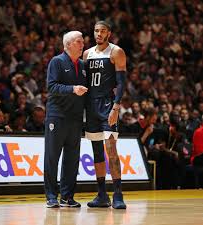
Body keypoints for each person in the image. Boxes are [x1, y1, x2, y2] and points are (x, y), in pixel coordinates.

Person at [83, 21, 127, 209]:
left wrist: (116, 107)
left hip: (108, 105)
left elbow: (121, 82)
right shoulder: (87, 54)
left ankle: (118, 194)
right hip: (90, 107)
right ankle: (102, 194)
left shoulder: (116, 52)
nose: (99, 34)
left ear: (109, 33)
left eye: (102, 31)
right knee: (96, 152)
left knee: (111, 149)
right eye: (96, 31)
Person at [44, 31, 87, 208]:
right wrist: (72, 89)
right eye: (79, 41)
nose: (82, 44)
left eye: (83, 41)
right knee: (52, 157)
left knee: (72, 159)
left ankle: (67, 196)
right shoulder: (57, 61)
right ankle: (51, 196)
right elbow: (51, 86)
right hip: (57, 116)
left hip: (76, 119)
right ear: (68, 44)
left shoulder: (83, 65)